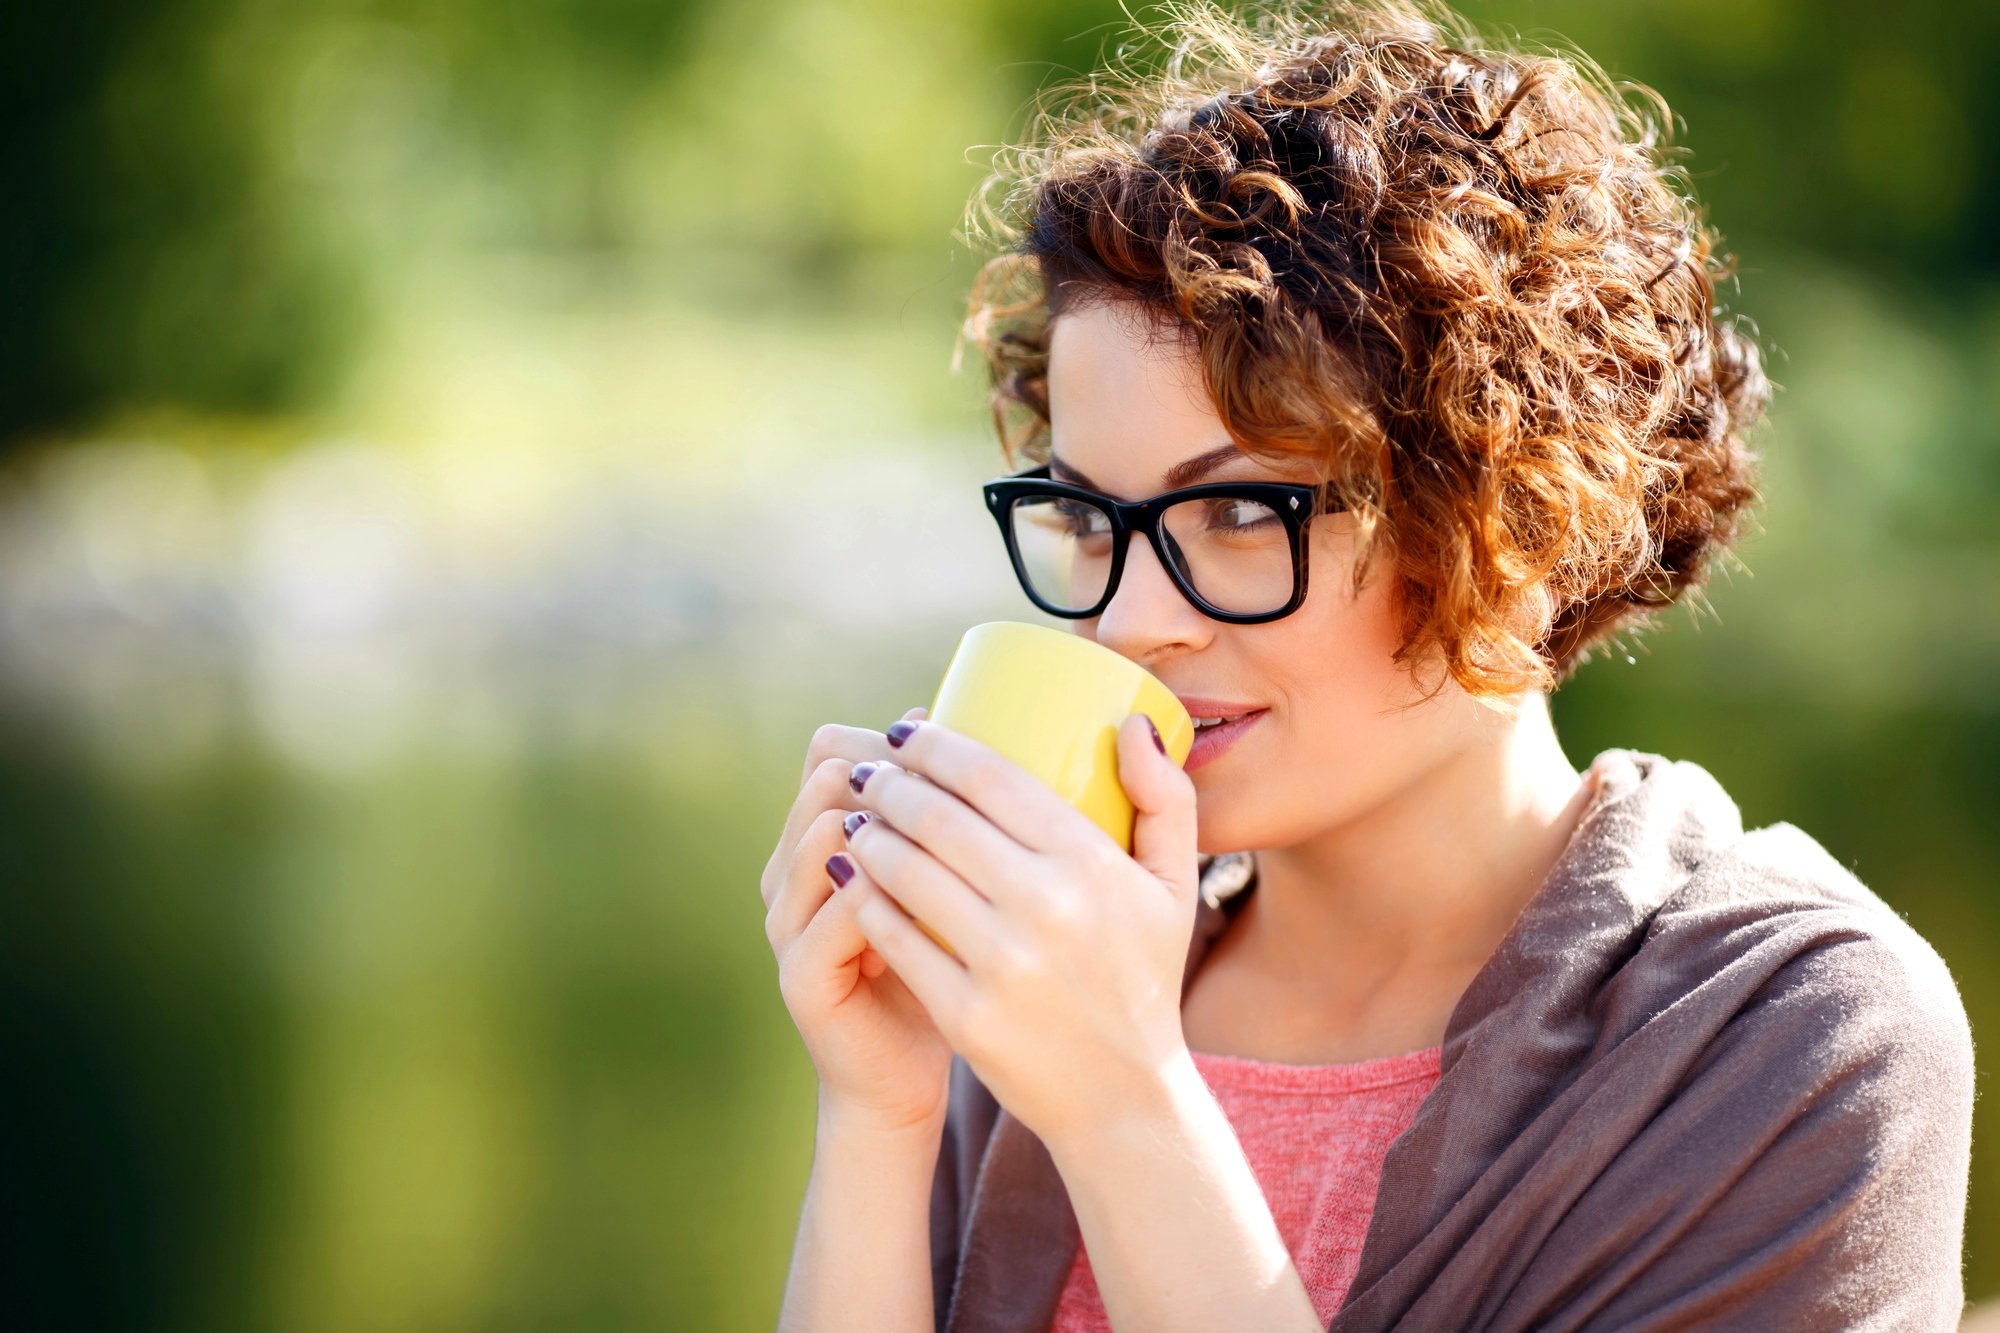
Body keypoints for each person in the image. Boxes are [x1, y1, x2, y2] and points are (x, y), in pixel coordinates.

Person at [758, 3, 1974, 1329]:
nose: (1130, 625)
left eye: (1238, 514)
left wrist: (1124, 1101)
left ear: (1511, 519)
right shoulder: (1062, 965)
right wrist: (880, 1106)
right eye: (1094, 520)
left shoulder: (1781, 1041)